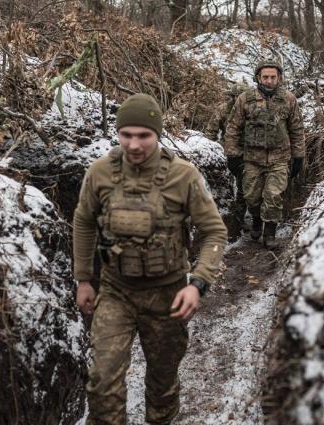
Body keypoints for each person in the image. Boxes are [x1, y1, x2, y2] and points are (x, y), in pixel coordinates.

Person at [73, 93, 228, 425]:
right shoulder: (100, 172)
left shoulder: (183, 176)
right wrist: (84, 279)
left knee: (162, 384)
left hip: (167, 295)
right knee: (102, 382)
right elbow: (84, 221)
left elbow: (214, 232)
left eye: (143, 135)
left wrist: (197, 284)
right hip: (116, 291)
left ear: (157, 135)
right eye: (126, 134)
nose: (134, 144)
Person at [224, 58, 305, 249]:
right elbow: (233, 128)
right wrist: (232, 155)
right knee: (252, 196)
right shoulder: (245, 99)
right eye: (265, 77)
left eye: (273, 77)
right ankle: (257, 220)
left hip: (279, 158)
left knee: (274, 196)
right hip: (252, 159)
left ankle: (269, 233)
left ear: (279, 78)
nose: (269, 81)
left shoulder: (289, 99)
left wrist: (299, 156)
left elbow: (297, 129)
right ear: (258, 77)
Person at [205, 81, 250, 236]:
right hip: (226, 153)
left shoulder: (251, 110)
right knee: (227, 187)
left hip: (247, 155)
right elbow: (211, 131)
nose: (238, 99)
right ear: (231, 96)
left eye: (241, 96)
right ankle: (231, 219)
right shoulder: (223, 109)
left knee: (244, 188)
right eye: (235, 96)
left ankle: (239, 219)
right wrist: (210, 151)